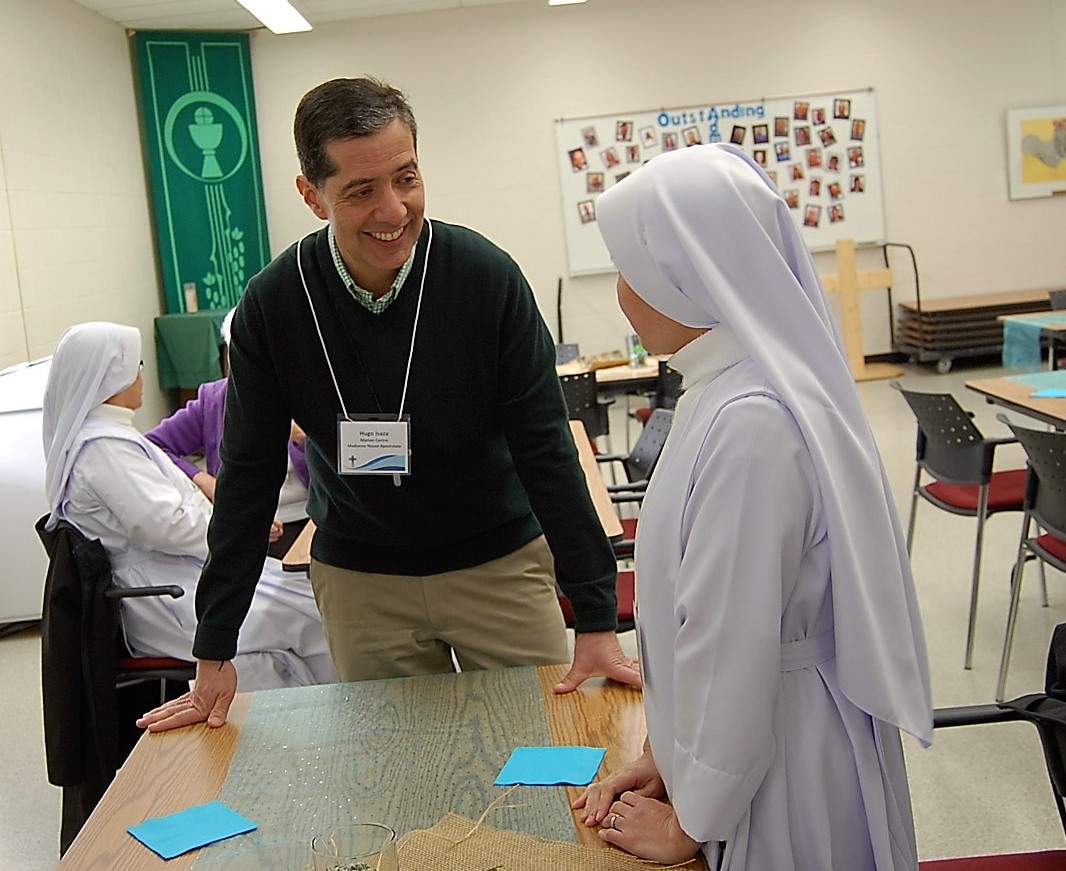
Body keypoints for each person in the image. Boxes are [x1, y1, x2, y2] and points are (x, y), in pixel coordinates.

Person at [138, 76, 638, 734]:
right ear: (312, 195)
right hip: (362, 582)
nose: (394, 209)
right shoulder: (275, 306)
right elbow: (248, 479)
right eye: (361, 191)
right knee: (403, 778)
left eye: (406, 178)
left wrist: (597, 615)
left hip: (499, 565)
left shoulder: (483, 279)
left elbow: (547, 449)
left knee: (555, 753)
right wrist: (215, 644)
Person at [572, 144, 932, 869]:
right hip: (749, 745)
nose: (620, 292)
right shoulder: (724, 386)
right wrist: (672, 757)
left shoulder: (752, 423)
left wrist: (691, 816)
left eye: (628, 270)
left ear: (684, 276)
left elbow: (728, 645)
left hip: (780, 764)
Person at [42, 321, 337, 691]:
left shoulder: (109, 439)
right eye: (135, 366)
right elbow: (166, 524)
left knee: (309, 609)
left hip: (178, 575)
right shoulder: (104, 448)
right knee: (315, 614)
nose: (141, 375)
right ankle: (337, 719)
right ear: (111, 376)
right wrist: (239, 530)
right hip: (164, 593)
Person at [145, 308, 311, 560]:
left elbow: (348, 460)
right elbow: (152, 447)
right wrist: (204, 480)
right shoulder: (213, 400)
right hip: (243, 525)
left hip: (306, 522)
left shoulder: (309, 395)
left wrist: (307, 438)